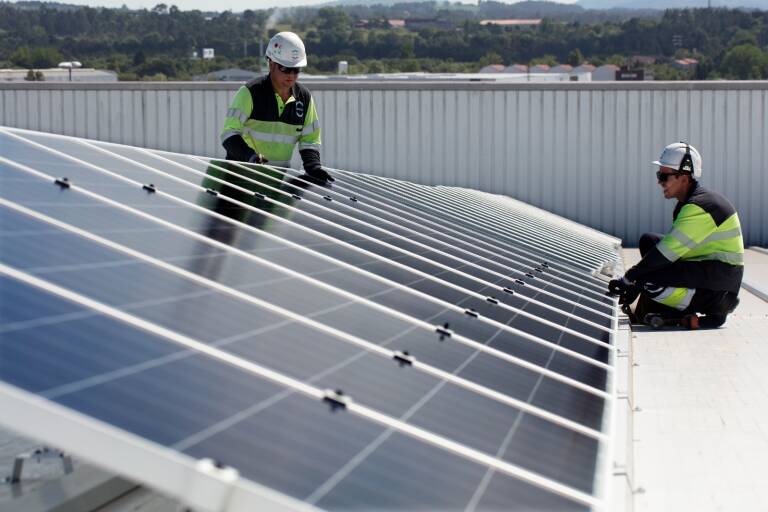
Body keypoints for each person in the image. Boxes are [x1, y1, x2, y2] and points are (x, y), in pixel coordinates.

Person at [609, 142, 744, 329]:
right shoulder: (689, 204)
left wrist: (629, 280)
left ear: (684, 177)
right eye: (659, 175)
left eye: (664, 176)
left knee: (646, 280)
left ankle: (687, 312)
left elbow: (665, 253)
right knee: (648, 242)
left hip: (719, 288)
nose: (659, 181)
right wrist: (634, 280)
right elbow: (667, 251)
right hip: (709, 271)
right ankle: (667, 308)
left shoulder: (701, 207)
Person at [219, 31, 333, 184]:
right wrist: (251, 157)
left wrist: (313, 166)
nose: (291, 75)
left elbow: (309, 140)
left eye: (296, 70)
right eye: (285, 69)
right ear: (271, 63)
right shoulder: (249, 93)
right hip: (241, 179)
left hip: (276, 183)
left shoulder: (304, 98)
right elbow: (229, 135)